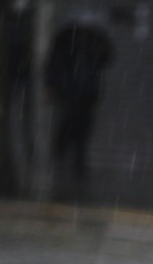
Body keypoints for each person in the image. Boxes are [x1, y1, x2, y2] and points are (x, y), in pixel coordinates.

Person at [45, 21, 113, 178]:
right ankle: (64, 153)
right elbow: (55, 65)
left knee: (82, 125)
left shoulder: (92, 40)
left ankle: (73, 157)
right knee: (72, 122)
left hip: (83, 92)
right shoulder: (66, 40)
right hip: (72, 91)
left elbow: (106, 58)